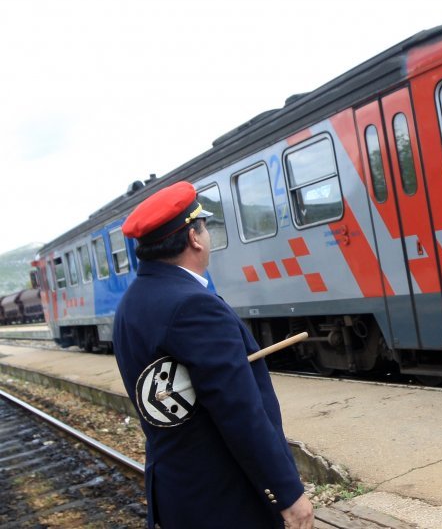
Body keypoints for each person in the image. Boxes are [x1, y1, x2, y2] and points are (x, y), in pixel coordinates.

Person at [113, 181, 313, 529]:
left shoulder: (130, 304)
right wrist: (287, 494)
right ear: (194, 237)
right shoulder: (193, 304)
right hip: (225, 498)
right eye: (204, 227)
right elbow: (239, 409)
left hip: (177, 491)